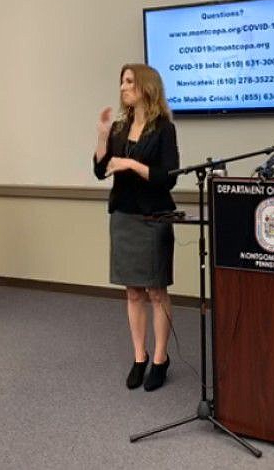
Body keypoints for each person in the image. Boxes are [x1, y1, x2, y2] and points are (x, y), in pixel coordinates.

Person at [93, 64, 180, 392]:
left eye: (129, 81)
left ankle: (160, 358)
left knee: (156, 291)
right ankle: (139, 357)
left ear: (146, 86)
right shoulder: (118, 127)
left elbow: (168, 175)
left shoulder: (163, 128)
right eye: (121, 82)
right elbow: (101, 171)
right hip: (124, 217)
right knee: (132, 291)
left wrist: (130, 164)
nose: (123, 87)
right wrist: (102, 137)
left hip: (153, 218)